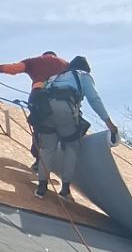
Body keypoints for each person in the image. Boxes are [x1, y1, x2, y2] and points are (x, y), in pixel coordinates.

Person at [29, 56, 120, 200]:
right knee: (71, 146)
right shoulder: (83, 77)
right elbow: (94, 99)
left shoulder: (55, 77)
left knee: (47, 149)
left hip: (45, 113)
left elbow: (38, 93)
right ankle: (65, 190)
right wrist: (108, 123)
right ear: (85, 68)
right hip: (65, 110)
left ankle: (41, 187)